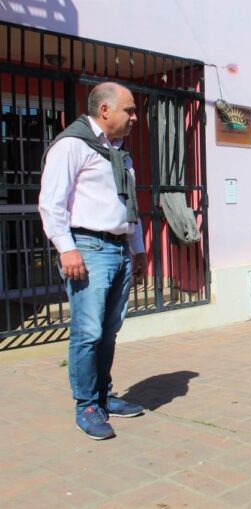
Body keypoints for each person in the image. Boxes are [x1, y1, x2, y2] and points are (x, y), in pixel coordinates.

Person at [39, 82, 148, 440]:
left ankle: (103, 396)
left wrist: (138, 249)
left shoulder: (119, 153)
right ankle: (86, 405)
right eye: (129, 110)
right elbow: (51, 203)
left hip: (118, 248)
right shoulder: (72, 145)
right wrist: (66, 248)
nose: (134, 117)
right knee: (88, 332)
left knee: (109, 330)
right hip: (88, 248)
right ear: (105, 110)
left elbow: (129, 205)